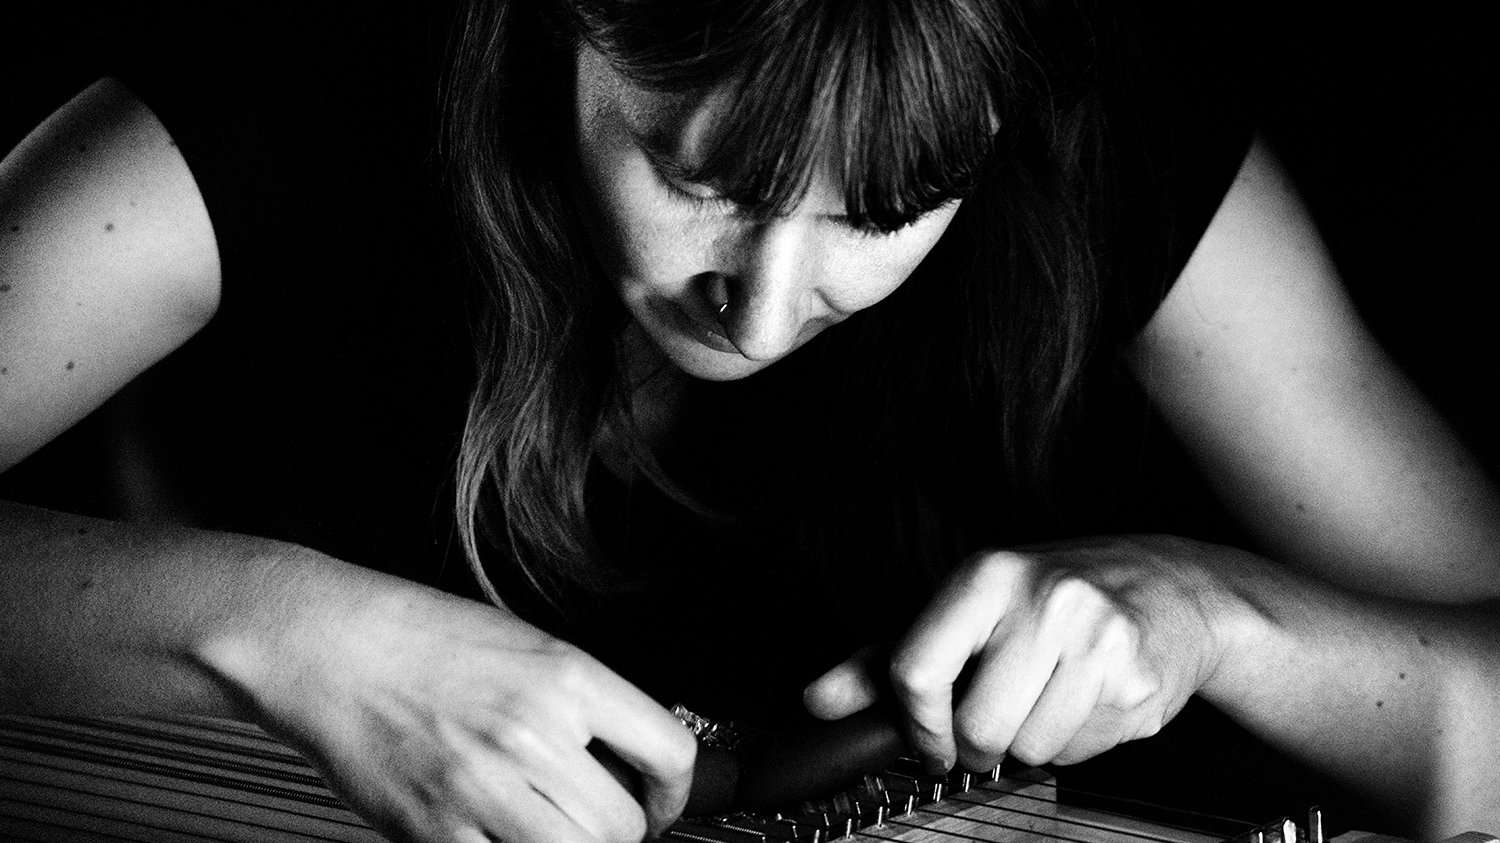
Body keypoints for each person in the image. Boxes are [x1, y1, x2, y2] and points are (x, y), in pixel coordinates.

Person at [2, 2, 1497, 842]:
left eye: (891, 208)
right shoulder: (296, 78)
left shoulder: (1113, 134)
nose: (766, 314)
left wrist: (1211, 616)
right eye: (698, 174)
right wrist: (285, 637)